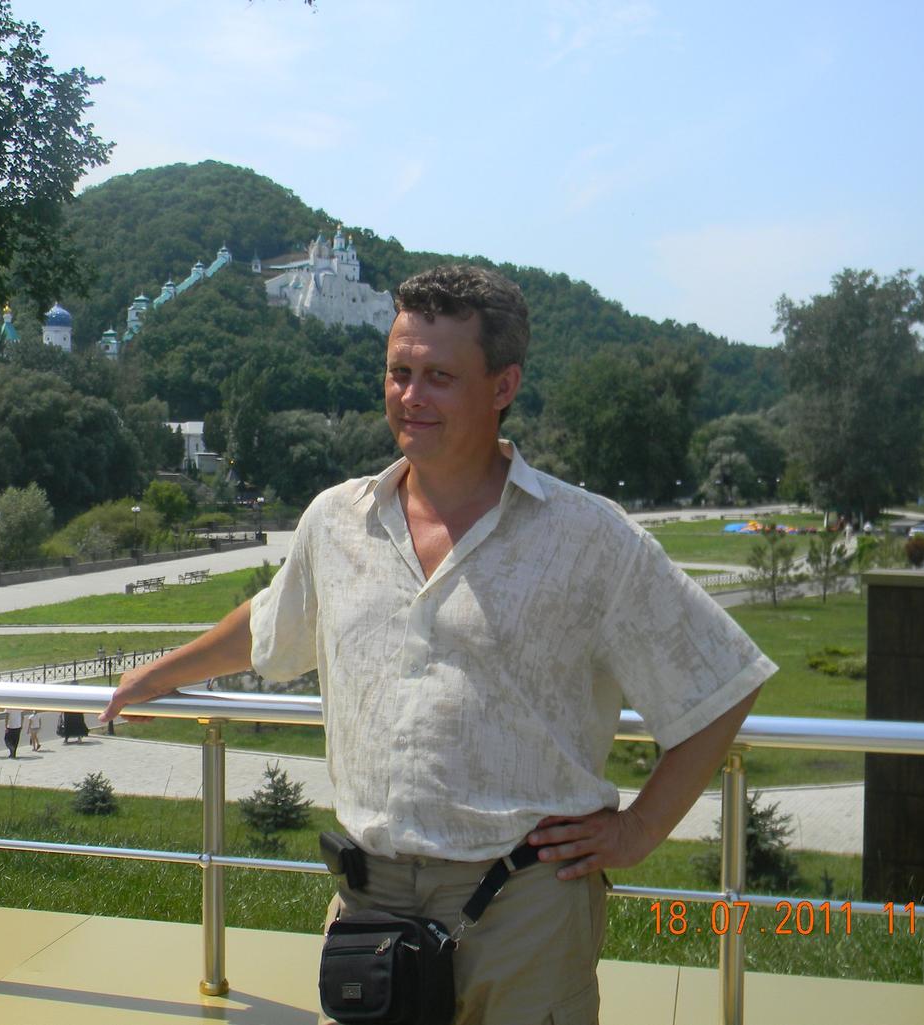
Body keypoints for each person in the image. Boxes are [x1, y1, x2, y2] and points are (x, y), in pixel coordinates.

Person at [100, 265, 776, 1024]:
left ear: (503, 385)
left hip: (525, 908)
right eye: (399, 372)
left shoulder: (589, 537)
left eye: (439, 377)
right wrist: (160, 673)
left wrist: (639, 830)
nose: (411, 396)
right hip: (369, 905)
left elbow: (722, 679)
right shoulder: (337, 521)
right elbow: (271, 621)